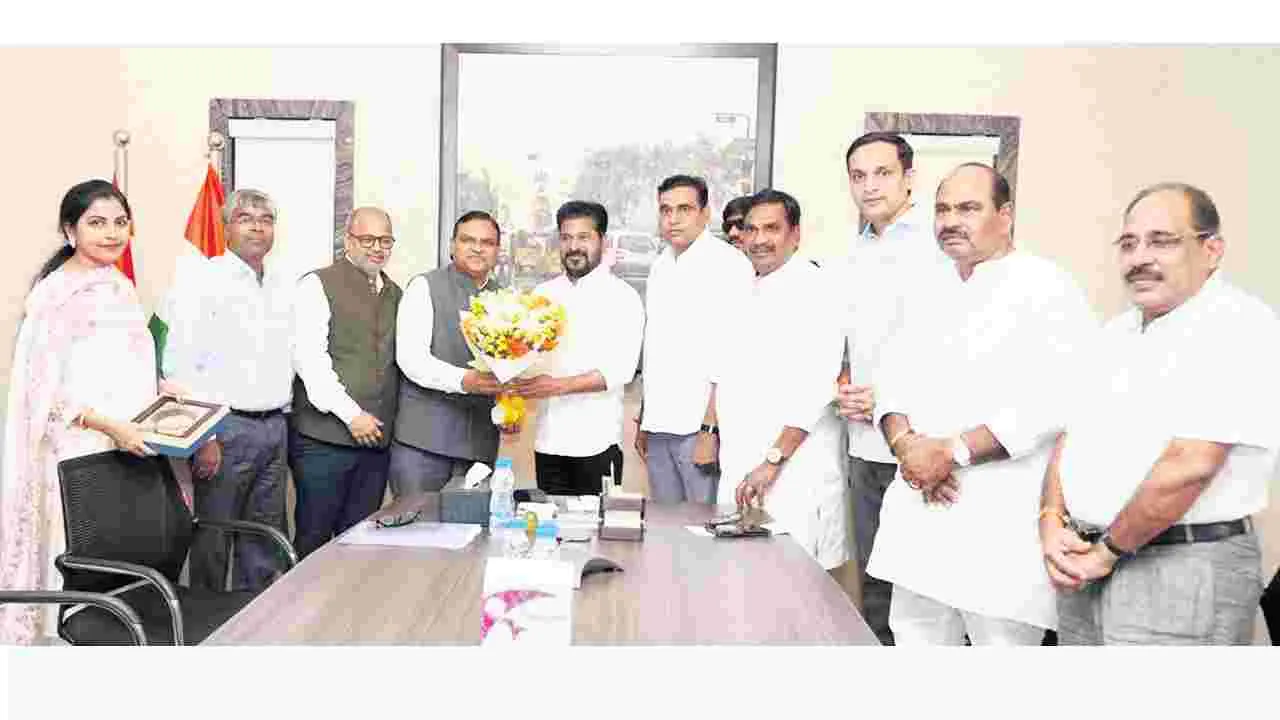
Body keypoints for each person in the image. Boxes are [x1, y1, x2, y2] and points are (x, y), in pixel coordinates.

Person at [1041, 183, 1280, 645]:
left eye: (1162, 241)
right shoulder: (1116, 333)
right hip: (1086, 562)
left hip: (1180, 568)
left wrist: (1106, 552)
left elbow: (1191, 464)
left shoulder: (1238, 326)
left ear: (1211, 250)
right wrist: (1051, 520)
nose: (1140, 258)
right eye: (1129, 244)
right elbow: (1071, 437)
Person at [867, 164, 1095, 645]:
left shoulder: (1046, 286)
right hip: (920, 513)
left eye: (969, 208)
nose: (952, 221)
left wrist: (951, 452)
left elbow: (1057, 398)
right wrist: (907, 446)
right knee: (914, 644)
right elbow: (890, 379)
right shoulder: (924, 286)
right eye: (943, 209)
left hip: (998, 520)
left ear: (1005, 215)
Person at [0, 180, 179, 643]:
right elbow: (44, 391)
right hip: (78, 454)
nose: (112, 233)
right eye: (97, 223)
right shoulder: (55, 294)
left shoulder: (120, 286)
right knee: (79, 569)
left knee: (121, 568)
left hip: (127, 447)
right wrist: (108, 425)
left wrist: (163, 390)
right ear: (69, 231)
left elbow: (120, 367)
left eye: (120, 222)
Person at [833, 131, 955, 645]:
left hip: (920, 443)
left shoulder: (938, 242)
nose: (870, 186)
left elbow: (946, 342)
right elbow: (855, 339)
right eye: (858, 176)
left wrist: (885, 396)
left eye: (882, 173)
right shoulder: (856, 248)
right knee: (876, 584)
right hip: (863, 444)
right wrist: (843, 379)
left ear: (909, 177)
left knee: (926, 593)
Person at [160, 188, 294, 592]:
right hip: (225, 429)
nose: (257, 227)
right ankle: (209, 621)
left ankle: (258, 617)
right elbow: (180, 364)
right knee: (213, 539)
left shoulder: (281, 282)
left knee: (264, 538)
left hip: (274, 427)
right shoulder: (203, 280)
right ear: (226, 227)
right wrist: (206, 436)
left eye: (266, 220)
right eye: (245, 218)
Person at [711, 189, 849, 569]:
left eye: (771, 229)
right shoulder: (745, 287)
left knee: (793, 578)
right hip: (744, 462)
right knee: (742, 573)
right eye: (751, 229)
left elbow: (815, 388)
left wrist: (772, 461)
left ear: (795, 234)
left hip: (793, 469)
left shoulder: (816, 290)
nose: (759, 239)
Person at [507, 201, 644, 496]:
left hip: (598, 444)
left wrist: (555, 386)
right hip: (548, 442)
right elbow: (525, 359)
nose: (573, 247)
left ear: (602, 241)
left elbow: (620, 371)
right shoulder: (542, 295)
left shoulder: (623, 298)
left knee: (596, 524)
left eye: (584, 237)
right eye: (566, 238)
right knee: (550, 521)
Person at [289, 207, 402, 558]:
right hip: (324, 441)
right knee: (314, 541)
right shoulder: (317, 284)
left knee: (361, 544)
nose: (377, 248)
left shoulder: (395, 293)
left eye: (385, 240)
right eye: (367, 239)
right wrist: (352, 415)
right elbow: (310, 360)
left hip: (374, 445)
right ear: (348, 240)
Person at [636, 175, 754, 504]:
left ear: (704, 213)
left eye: (684, 209)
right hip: (660, 425)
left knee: (702, 526)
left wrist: (710, 430)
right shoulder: (660, 267)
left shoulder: (729, 265)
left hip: (699, 429)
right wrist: (646, 420)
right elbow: (657, 350)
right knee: (666, 525)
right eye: (666, 210)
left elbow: (732, 357)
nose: (673, 219)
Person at [389, 211, 507, 497]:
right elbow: (411, 360)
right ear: (452, 245)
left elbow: (508, 368)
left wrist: (509, 408)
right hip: (424, 444)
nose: (477, 248)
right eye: (468, 240)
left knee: (468, 523)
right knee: (414, 522)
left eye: (487, 242)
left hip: (479, 446)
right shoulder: (425, 287)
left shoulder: (506, 299)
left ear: (497, 251)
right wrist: (465, 380)